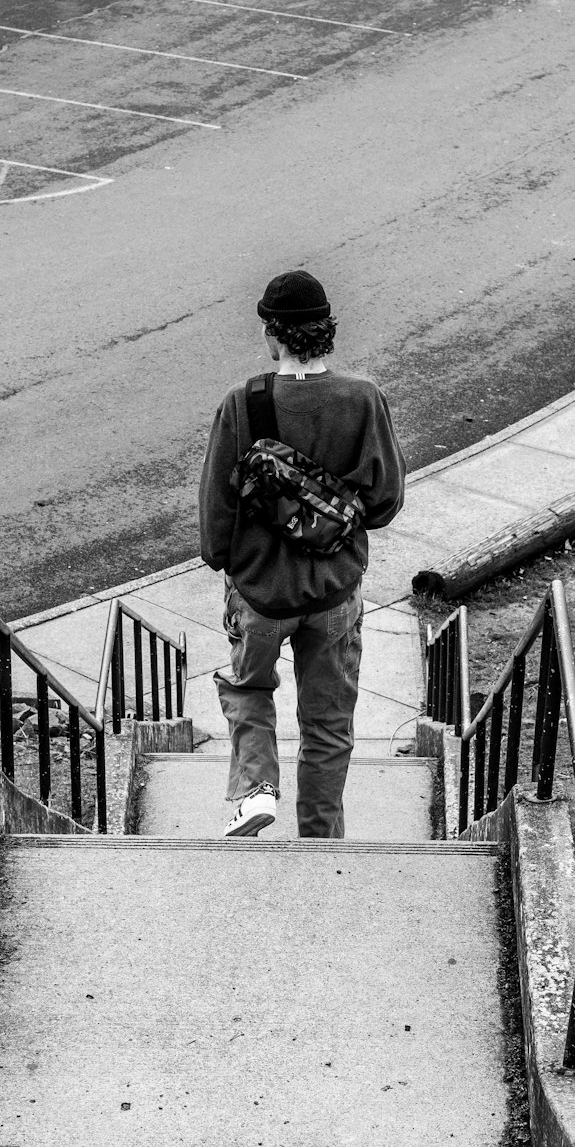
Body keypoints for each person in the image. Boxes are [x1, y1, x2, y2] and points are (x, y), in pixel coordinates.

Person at [199, 269, 406, 839]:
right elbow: (385, 501)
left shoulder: (243, 404)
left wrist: (229, 564)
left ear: (273, 334)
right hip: (335, 590)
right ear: (327, 331)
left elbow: (217, 507)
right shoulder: (363, 400)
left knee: (248, 689)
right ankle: (319, 836)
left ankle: (255, 790)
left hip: (262, 590)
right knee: (328, 722)